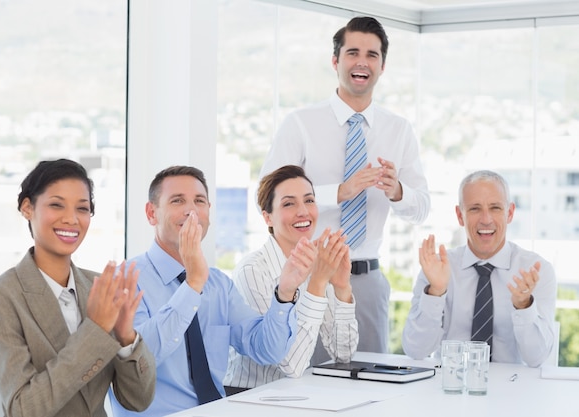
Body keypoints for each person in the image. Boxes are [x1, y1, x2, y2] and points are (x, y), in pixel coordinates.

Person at [260, 16, 430, 353]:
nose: (362, 62)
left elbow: (421, 208)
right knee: (307, 383)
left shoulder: (399, 130)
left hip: (367, 282)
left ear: (382, 66)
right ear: (336, 61)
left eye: (372, 55)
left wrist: (397, 190)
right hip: (310, 278)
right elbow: (268, 198)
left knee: (371, 386)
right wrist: (340, 191)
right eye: (353, 53)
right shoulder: (301, 124)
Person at [110, 165, 306, 417]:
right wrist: (192, 285)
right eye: (177, 200)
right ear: (151, 213)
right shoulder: (126, 279)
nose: (191, 210)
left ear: (209, 213)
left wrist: (285, 293)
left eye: (199, 201)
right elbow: (140, 362)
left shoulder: (218, 284)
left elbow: (266, 349)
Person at [0, 159, 155, 417]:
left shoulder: (97, 287)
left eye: (82, 208)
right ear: (27, 208)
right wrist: (96, 330)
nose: (71, 219)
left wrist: (126, 338)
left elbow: (138, 401)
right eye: (56, 205)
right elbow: (24, 410)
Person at [402, 170, 557, 367]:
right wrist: (436, 292)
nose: (486, 219)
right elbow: (416, 350)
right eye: (475, 209)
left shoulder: (536, 271)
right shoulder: (437, 268)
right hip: (451, 388)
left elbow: (537, 358)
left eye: (495, 208)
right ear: (460, 215)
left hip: (513, 390)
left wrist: (523, 305)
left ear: (509, 213)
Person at [225, 165, 358, 390]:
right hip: (247, 397)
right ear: (267, 217)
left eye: (309, 200)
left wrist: (342, 288)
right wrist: (317, 283)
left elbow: (342, 353)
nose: (303, 211)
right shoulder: (253, 272)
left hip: (294, 397)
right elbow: (291, 365)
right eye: (288, 203)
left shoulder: (317, 263)